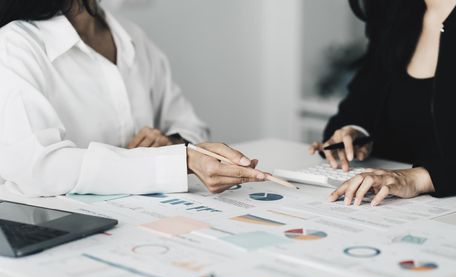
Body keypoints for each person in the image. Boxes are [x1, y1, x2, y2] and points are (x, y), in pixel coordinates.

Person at [0, 0, 266, 197]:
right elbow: (40, 168)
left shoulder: (132, 36)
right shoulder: (14, 46)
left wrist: (171, 143)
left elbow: (192, 127)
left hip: (141, 221)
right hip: (54, 237)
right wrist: (177, 160)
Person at [310, 0, 456, 207]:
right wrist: (354, 133)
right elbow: (356, 109)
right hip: (392, 210)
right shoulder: (397, 12)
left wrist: (420, 179)